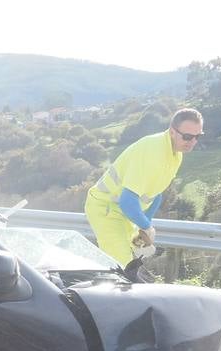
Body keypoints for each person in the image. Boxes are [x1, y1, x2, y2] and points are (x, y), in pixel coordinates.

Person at [84, 108, 203, 266]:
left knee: (133, 263)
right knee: (123, 268)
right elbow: (127, 201)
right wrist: (146, 226)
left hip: (125, 213)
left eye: (198, 136)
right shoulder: (153, 151)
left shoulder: (175, 154)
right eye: (188, 137)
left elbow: (155, 194)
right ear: (172, 131)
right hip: (105, 209)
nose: (193, 142)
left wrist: (145, 227)